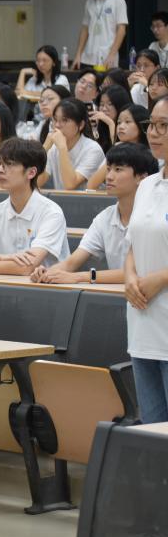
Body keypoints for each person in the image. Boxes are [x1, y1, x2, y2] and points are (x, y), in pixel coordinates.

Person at [33, 142, 157, 285]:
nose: (109, 176)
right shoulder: (105, 217)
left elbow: (139, 271)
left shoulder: (155, 218)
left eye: (118, 169)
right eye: (108, 169)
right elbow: (72, 262)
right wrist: (47, 273)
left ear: (142, 178)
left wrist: (81, 277)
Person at [0, 138, 69, 275]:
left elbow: (26, 267)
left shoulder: (51, 213)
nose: (0, 170)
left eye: (9, 164)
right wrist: (4, 258)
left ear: (31, 173)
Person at [124, 97, 168, 422]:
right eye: (152, 124)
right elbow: (132, 245)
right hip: (141, 321)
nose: (153, 132)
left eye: (164, 126)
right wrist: (129, 276)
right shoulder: (147, 185)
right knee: (151, 431)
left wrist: (161, 277)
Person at [71, 0, 128, 70]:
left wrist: (112, 54)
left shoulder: (118, 0)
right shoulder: (89, 2)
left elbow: (121, 30)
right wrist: (78, 54)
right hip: (88, 56)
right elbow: (85, 29)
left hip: (108, 57)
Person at [43, 98, 106, 190]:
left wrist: (62, 148)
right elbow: (38, 182)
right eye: (55, 119)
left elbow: (70, 185)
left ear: (81, 125)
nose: (57, 125)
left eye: (64, 120)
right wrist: (44, 149)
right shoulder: (53, 148)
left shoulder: (93, 149)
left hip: (85, 199)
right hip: (59, 198)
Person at [92, 85, 132, 152]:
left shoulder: (129, 125)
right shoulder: (101, 125)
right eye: (101, 105)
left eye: (110, 104)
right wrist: (94, 128)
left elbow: (119, 152)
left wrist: (110, 123)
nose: (104, 109)